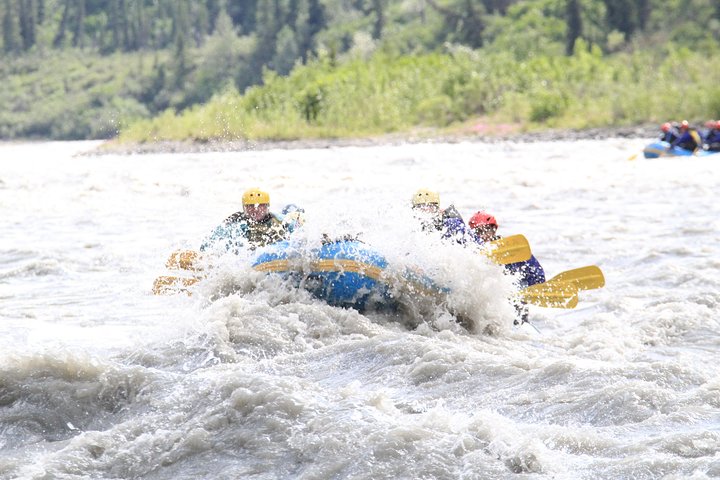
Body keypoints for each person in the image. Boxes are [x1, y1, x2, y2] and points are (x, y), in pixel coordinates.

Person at [468, 210, 546, 324]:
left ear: (494, 230)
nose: (483, 235)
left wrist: (527, 290)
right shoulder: (471, 251)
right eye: (478, 232)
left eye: (486, 230)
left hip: (514, 302)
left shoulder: (512, 249)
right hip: (487, 306)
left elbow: (538, 277)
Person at [200, 187, 288, 252]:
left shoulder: (279, 220)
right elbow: (210, 242)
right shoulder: (236, 222)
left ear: (267, 207)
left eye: (260, 205)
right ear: (244, 208)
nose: (255, 209)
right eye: (250, 206)